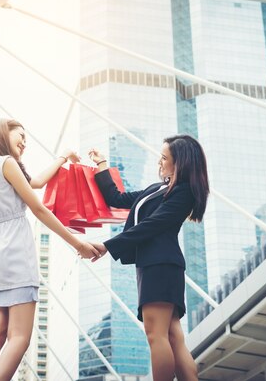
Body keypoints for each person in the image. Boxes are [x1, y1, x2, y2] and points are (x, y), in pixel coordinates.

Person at [0, 118, 100, 381]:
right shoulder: (7, 163)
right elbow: (39, 208)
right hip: (15, 252)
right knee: (19, 337)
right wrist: (78, 243)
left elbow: (37, 182)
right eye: (20, 135)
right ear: (1, 133)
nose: (24, 142)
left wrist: (63, 156)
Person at [89, 134, 209, 381]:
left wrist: (106, 246)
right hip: (156, 265)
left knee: (156, 335)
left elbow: (152, 225)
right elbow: (118, 199)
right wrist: (102, 165)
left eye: (165, 158)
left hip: (160, 265)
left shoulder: (183, 193)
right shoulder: (159, 189)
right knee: (173, 337)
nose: (159, 161)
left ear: (180, 163)